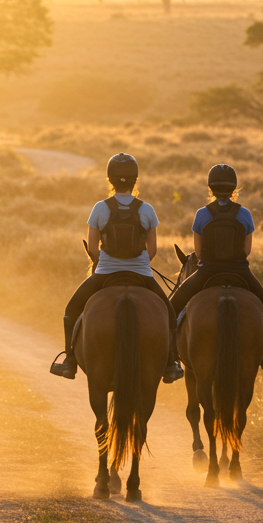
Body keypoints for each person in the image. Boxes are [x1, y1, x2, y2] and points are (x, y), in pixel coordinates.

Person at [50, 153, 185, 383]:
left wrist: (109, 262)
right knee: (170, 313)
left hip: (104, 275)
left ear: (110, 180)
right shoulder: (147, 210)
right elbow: (151, 251)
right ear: (135, 180)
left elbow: (93, 248)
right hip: (141, 275)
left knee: (71, 309)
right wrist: (137, 264)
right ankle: (171, 363)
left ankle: (69, 362)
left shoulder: (99, 209)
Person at [169, 163, 263, 369]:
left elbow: (200, 253)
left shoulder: (201, 214)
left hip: (207, 272)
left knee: (173, 305)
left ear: (210, 188)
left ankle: (170, 354)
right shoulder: (245, 214)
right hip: (240, 271)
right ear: (234, 189)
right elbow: (247, 251)